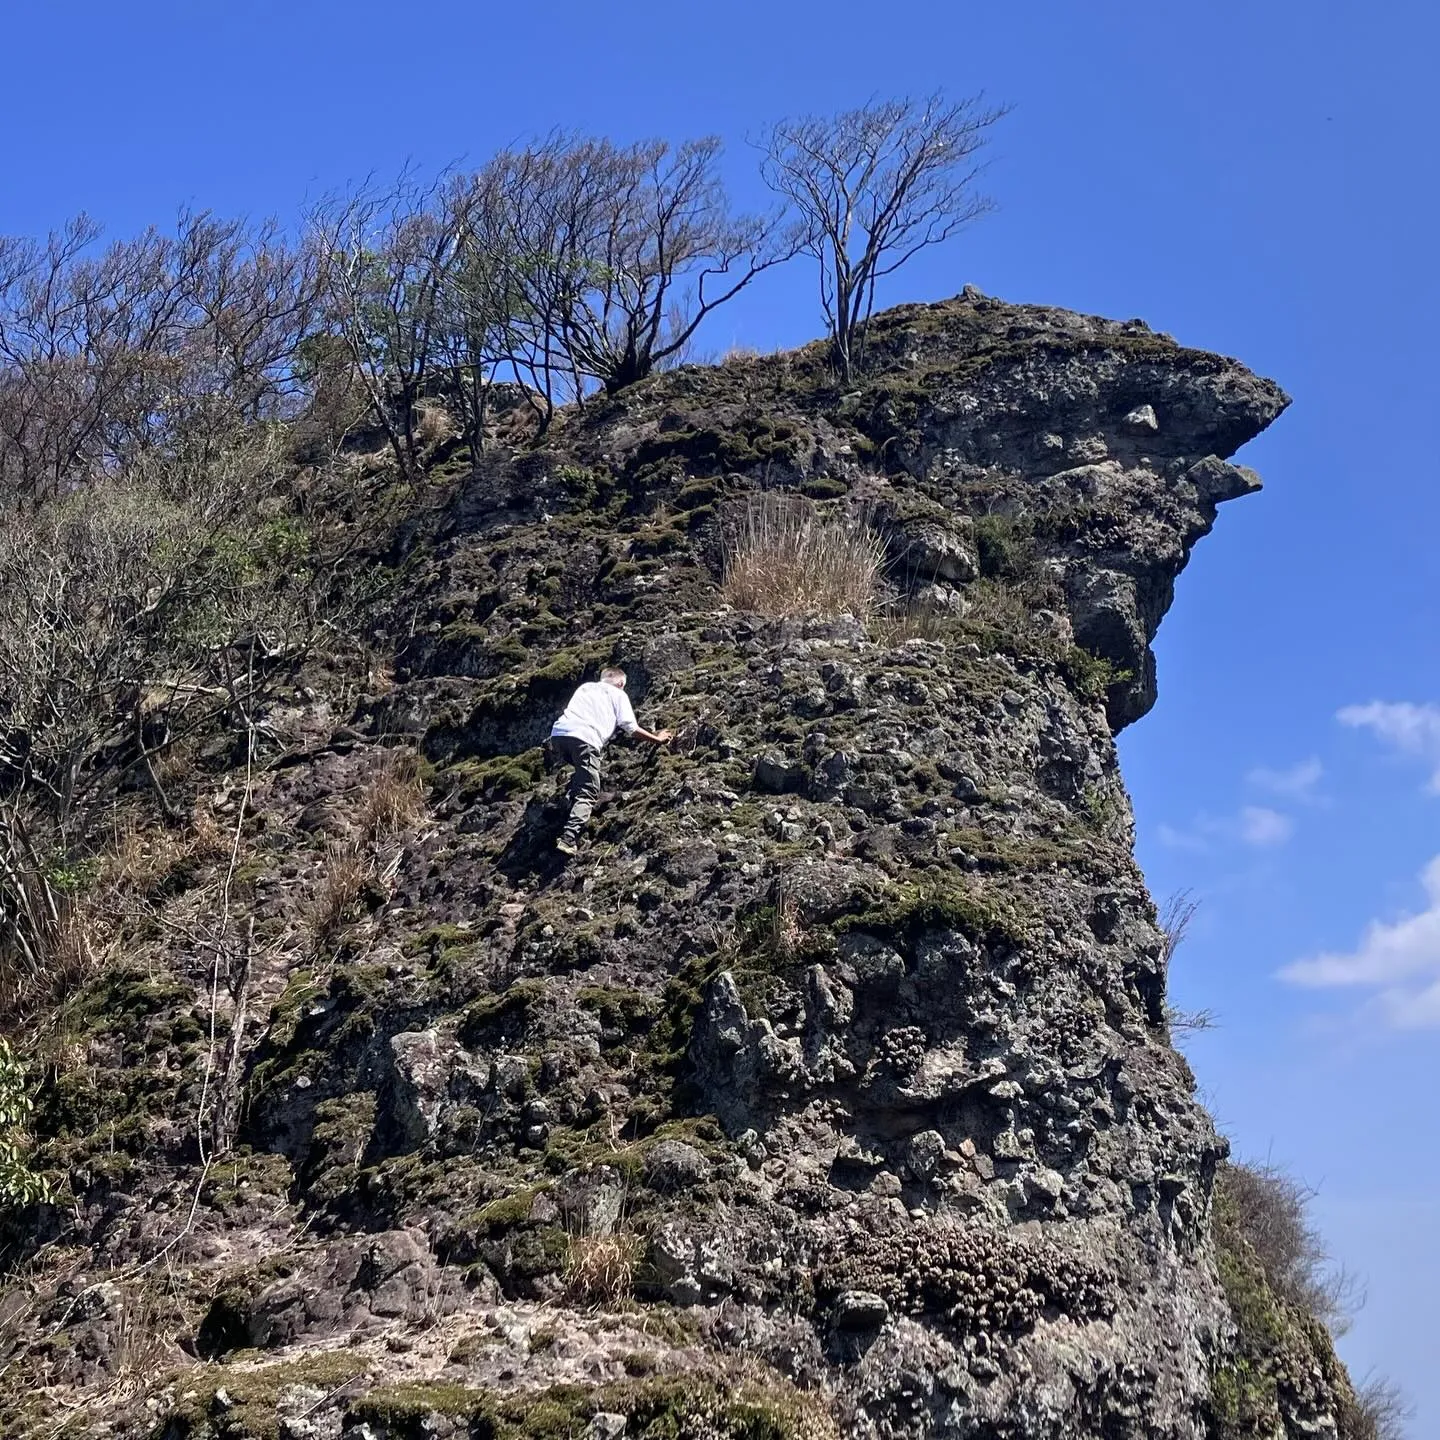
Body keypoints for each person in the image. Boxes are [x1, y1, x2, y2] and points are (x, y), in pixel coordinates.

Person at [550, 668, 672, 855]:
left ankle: (570, 799)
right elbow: (630, 727)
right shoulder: (618, 694)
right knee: (588, 790)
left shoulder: (586, 687)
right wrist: (657, 739)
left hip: (559, 736)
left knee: (582, 772)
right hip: (585, 738)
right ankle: (568, 838)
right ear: (621, 683)